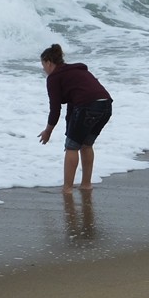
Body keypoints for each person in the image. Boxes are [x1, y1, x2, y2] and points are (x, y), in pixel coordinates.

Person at [37, 43, 113, 192]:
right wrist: (69, 132)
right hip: (106, 105)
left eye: (43, 65)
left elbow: (55, 110)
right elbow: (72, 105)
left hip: (88, 107)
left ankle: (67, 188)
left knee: (72, 147)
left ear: (49, 62)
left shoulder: (54, 77)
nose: (43, 69)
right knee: (86, 145)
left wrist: (48, 131)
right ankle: (86, 184)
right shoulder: (74, 71)